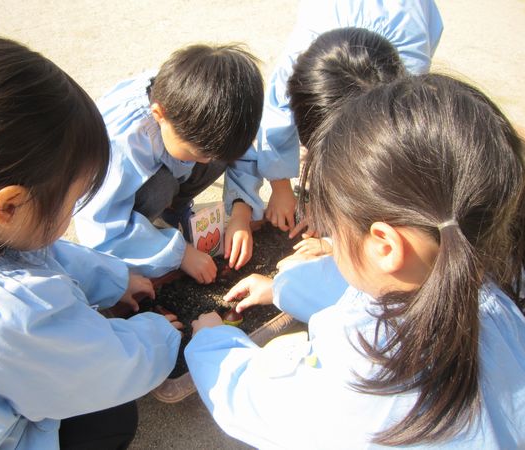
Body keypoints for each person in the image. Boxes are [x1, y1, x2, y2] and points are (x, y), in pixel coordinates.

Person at [185, 74, 525, 448]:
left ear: (385, 245)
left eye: (334, 225)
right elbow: (370, 291)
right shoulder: (498, 304)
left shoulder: (361, 378)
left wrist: (212, 341)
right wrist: (280, 288)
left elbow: (257, 400)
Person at [0, 36, 182, 450]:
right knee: (113, 416)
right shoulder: (15, 313)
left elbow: (42, 252)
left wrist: (115, 279)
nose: (71, 214)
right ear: (10, 206)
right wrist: (159, 334)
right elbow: (107, 369)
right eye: (72, 200)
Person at [74, 44, 264, 284]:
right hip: (113, 201)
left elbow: (243, 150)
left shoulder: (209, 109)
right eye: (196, 153)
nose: (206, 162)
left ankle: (173, 211)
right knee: (160, 187)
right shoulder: (122, 145)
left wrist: (240, 214)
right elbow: (101, 227)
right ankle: (150, 235)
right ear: (159, 115)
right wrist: (180, 255)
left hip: (167, 163)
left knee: (218, 155)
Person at [252, 0, 443, 235]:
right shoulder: (299, 59)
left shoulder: (408, 80)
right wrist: (280, 187)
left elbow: (389, 154)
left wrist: (339, 225)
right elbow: (276, 114)